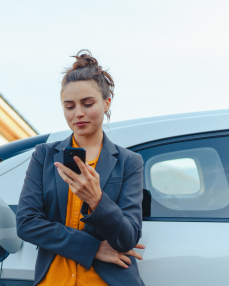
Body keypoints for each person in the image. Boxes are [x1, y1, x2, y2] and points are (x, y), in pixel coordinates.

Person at [16, 49, 146, 286]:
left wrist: (97, 200)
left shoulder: (130, 162)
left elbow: (127, 238)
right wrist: (92, 248)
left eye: (87, 103)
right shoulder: (44, 156)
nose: (78, 114)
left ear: (106, 103)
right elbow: (27, 224)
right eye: (69, 106)